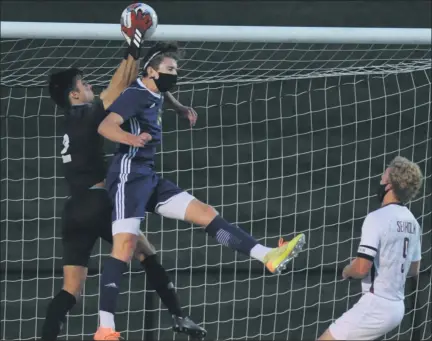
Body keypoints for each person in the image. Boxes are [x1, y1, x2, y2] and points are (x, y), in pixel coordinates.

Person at [94, 41, 306, 340]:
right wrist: (132, 139)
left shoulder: (153, 89)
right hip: (128, 177)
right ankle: (105, 328)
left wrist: (179, 106)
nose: (175, 74)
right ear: (151, 71)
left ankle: (268, 255)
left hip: (149, 177)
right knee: (125, 248)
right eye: (170, 69)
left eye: (176, 69)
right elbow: (105, 126)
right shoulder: (134, 95)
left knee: (206, 214)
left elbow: (160, 93)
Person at [41, 16, 205, 341]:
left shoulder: (69, 124)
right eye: (84, 84)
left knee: (70, 291)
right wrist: (133, 46)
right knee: (145, 252)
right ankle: (179, 315)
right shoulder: (89, 114)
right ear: (73, 96)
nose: (90, 87)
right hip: (97, 201)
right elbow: (118, 87)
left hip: (72, 211)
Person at [318, 156, 423, 340]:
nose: (380, 181)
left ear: (389, 185)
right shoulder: (413, 223)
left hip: (377, 305)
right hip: (398, 307)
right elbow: (414, 269)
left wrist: (348, 270)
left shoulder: (377, 218)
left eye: (383, 177)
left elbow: (361, 268)